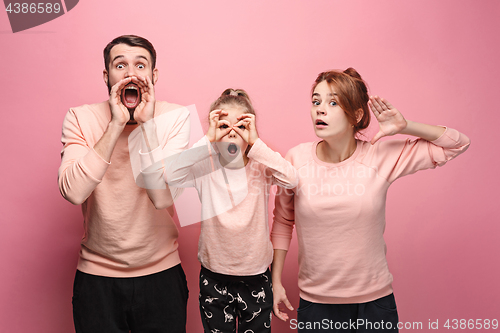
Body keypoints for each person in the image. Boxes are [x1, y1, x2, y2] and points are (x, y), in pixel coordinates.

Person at [271, 68, 470, 332]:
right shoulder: (295, 159)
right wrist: (275, 281)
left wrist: (405, 126)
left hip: (374, 305)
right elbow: (284, 221)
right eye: (316, 102)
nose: (320, 110)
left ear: (356, 115)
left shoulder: (379, 156)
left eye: (333, 103)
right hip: (316, 305)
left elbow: (457, 143)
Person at [58, 35, 190, 333]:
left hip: (162, 274)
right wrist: (116, 124)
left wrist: (147, 126)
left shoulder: (176, 117)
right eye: (120, 65)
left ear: (153, 76)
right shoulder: (80, 117)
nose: (131, 74)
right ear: (107, 76)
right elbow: (73, 192)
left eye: (140, 65)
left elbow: (163, 198)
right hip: (96, 278)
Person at [165, 89, 298, 333]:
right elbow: (170, 174)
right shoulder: (206, 165)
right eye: (225, 125)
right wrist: (207, 140)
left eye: (242, 125)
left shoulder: (261, 165)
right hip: (214, 276)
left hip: (257, 276)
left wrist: (256, 143)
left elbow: (291, 179)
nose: (233, 131)